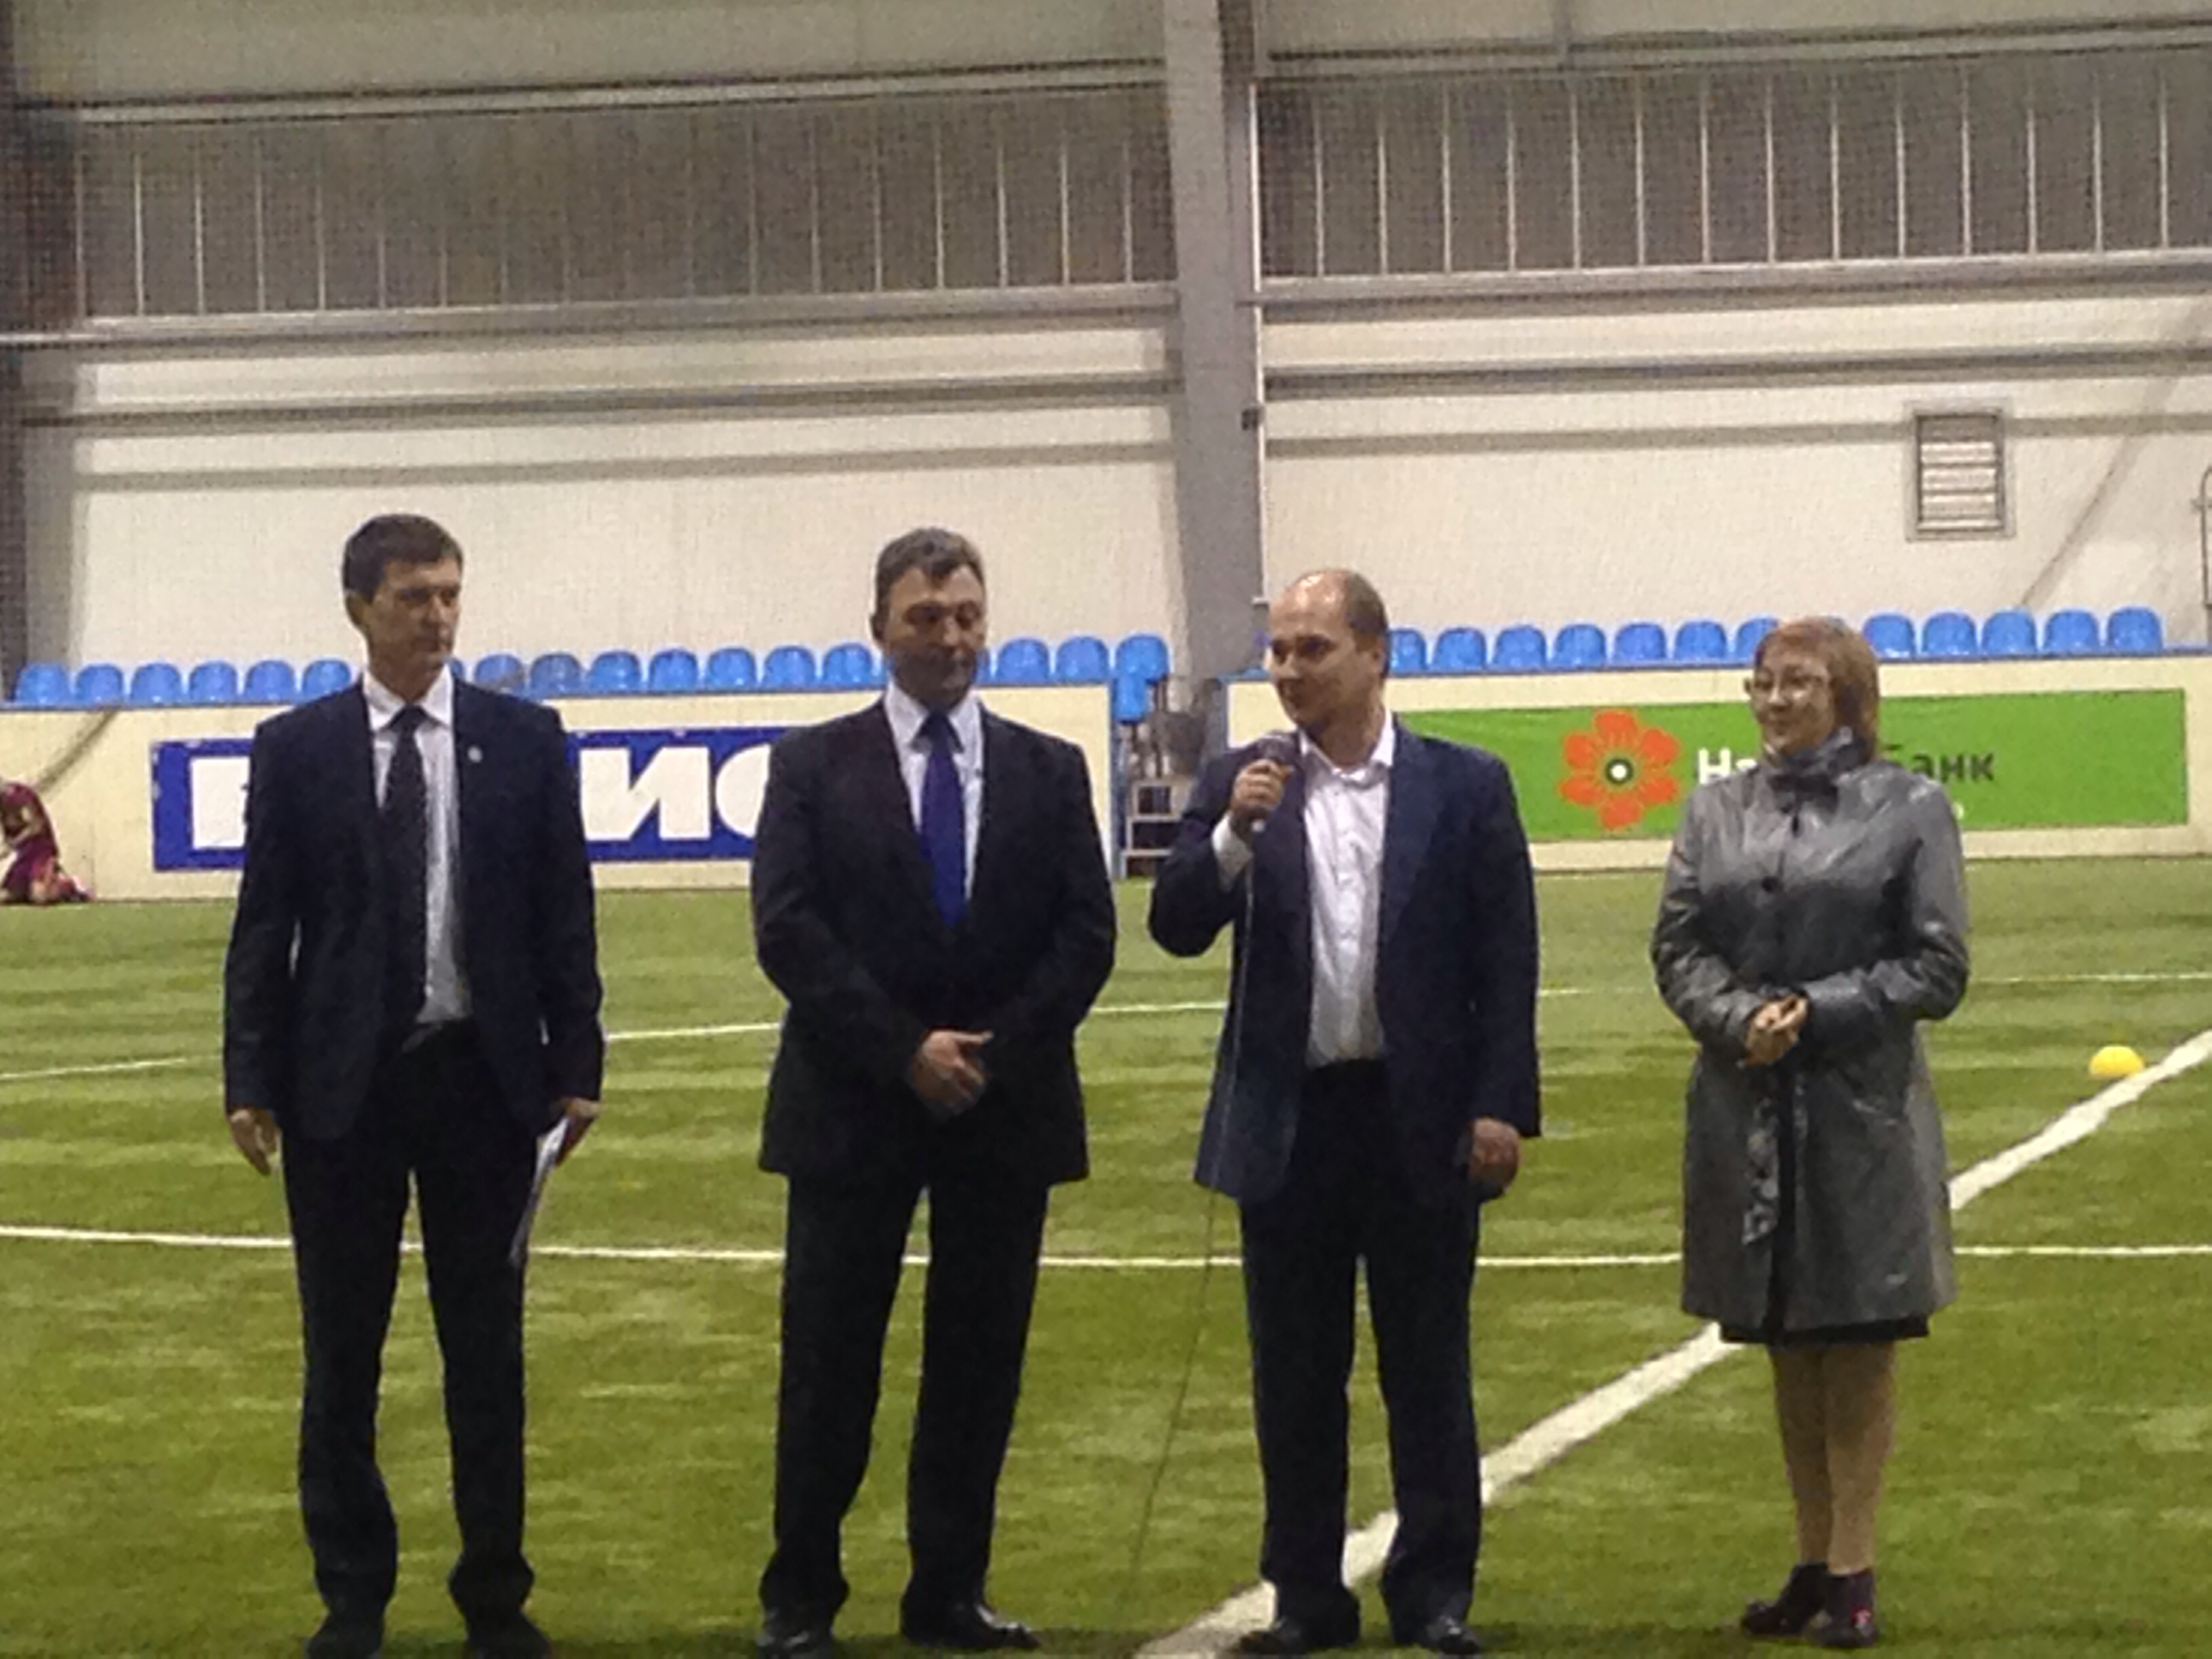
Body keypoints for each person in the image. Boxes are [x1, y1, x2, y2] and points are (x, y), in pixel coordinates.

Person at [223, 514, 605, 1659]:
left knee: (485, 1353)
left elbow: (564, 910)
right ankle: (353, 1596)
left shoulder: (523, 741)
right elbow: (265, 924)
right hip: (340, 1093)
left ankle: (495, 1595)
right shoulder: (296, 749)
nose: (438, 616)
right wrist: (250, 1074)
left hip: (485, 1086)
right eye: (412, 597)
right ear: (360, 609)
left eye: (449, 594)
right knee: (341, 1357)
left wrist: (577, 1063)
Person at [1148, 570, 1540, 1657]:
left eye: (1312, 649)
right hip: (1290, 1122)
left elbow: (1507, 957)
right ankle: (1306, 1597)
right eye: (1278, 651)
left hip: (1422, 1117)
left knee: (1429, 1369)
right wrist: (1232, 835)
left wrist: (1501, 1105)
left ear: (1376, 654)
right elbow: (1175, 924)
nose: (1288, 670)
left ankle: (1434, 1593)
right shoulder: (1243, 781)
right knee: (1295, 1379)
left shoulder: (1466, 786)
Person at [750, 527, 1116, 1657]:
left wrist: (991, 1053)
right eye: (925, 617)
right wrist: (905, 1048)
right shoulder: (810, 766)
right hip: (850, 1105)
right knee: (828, 1366)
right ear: (879, 628)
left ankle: (949, 1592)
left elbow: (1085, 934)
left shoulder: (1050, 769)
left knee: (977, 1368)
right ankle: (801, 1597)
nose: (950, 638)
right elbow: (788, 930)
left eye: (966, 617)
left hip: (1003, 1114)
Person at [1651, 617, 1968, 1650]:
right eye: (1764, 682)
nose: (1777, 699)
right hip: (1743, 1105)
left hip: (1859, 1112)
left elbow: (1937, 965)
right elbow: (1679, 945)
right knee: (1785, 1337)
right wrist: (1737, 1017)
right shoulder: (1714, 810)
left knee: (1860, 1336)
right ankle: (1811, 1556)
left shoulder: (1911, 808)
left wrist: (1816, 1010)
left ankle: (1854, 1566)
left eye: (1799, 682)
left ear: (1848, 696)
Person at [0, 778, 91, 904]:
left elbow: (36, 826)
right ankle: (27, 888)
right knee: (5, 896)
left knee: (40, 897)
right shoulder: (3, 805)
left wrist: (15, 842)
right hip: (24, 855)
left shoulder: (19, 796)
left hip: (41, 850)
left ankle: (70, 886)